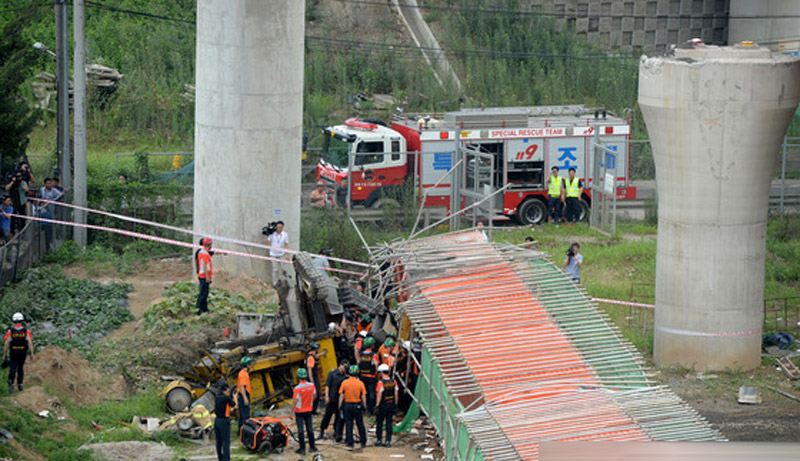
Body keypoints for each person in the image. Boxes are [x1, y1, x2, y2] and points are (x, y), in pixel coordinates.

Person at [3, 312, 34, 393]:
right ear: (22, 321)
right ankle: (20, 384)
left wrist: (4, 355)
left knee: (12, 368)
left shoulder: (10, 331)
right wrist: (32, 354)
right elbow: (30, 343)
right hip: (22, 353)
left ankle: (11, 385)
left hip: (13, 353)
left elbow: (6, 344)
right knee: (20, 368)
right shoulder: (26, 331)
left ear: (14, 321)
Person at [339, 365, 367, 450]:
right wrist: (364, 406)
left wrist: (339, 406)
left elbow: (341, 395)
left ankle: (350, 442)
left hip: (347, 405)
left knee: (348, 424)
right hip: (357, 405)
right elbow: (364, 396)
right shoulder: (360, 383)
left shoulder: (344, 382)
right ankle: (363, 441)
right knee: (360, 424)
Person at [319, 360, 348, 442]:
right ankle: (322, 430)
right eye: (344, 367)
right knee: (327, 415)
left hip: (340, 400)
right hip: (332, 398)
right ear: (340, 365)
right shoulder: (332, 373)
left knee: (338, 417)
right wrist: (327, 396)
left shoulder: (345, 376)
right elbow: (327, 385)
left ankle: (337, 432)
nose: (344, 369)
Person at [293, 368, 317, 455]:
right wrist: (310, 403)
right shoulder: (311, 385)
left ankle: (302, 449)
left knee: (300, 430)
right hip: (308, 410)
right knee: (310, 428)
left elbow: (295, 400)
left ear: (298, 377)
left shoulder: (297, 388)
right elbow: (314, 395)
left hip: (299, 411)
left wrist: (291, 411)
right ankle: (312, 446)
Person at [374, 364, 399, 447]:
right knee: (389, 423)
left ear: (381, 372)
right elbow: (396, 393)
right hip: (391, 404)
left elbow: (379, 394)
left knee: (379, 423)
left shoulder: (381, 382)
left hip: (382, 405)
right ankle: (388, 441)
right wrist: (395, 404)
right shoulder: (393, 381)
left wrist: (377, 405)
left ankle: (379, 440)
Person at [213, 382, 237, 461]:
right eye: (228, 389)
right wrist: (235, 397)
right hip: (224, 421)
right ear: (226, 389)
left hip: (217, 420)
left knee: (218, 442)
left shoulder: (217, 397)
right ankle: (226, 459)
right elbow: (235, 406)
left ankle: (220, 458)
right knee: (226, 442)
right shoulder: (226, 398)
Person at [358, 336, 379, 415]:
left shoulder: (361, 355)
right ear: (371, 345)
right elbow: (376, 366)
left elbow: (359, 364)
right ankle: (370, 411)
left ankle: (363, 409)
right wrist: (376, 374)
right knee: (371, 395)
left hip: (362, 376)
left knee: (363, 394)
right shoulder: (373, 355)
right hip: (371, 378)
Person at [196, 237, 214, 315]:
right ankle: (199, 309)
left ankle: (204, 308)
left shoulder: (203, 252)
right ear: (209, 244)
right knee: (203, 293)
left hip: (203, 276)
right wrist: (207, 277)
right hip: (204, 276)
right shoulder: (205, 254)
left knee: (205, 293)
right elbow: (205, 266)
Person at [237, 356, 253, 434]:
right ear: (247, 366)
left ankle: (239, 432)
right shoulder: (243, 374)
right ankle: (245, 433)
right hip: (244, 395)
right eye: (250, 364)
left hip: (242, 396)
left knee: (241, 416)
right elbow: (242, 386)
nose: (251, 366)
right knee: (245, 416)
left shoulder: (242, 373)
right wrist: (245, 397)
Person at [305, 341, 322, 414]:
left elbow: (315, 356)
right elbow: (309, 370)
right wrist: (312, 381)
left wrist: (322, 354)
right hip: (312, 378)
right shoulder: (311, 358)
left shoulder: (309, 355)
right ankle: (312, 410)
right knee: (316, 394)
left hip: (311, 378)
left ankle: (311, 410)